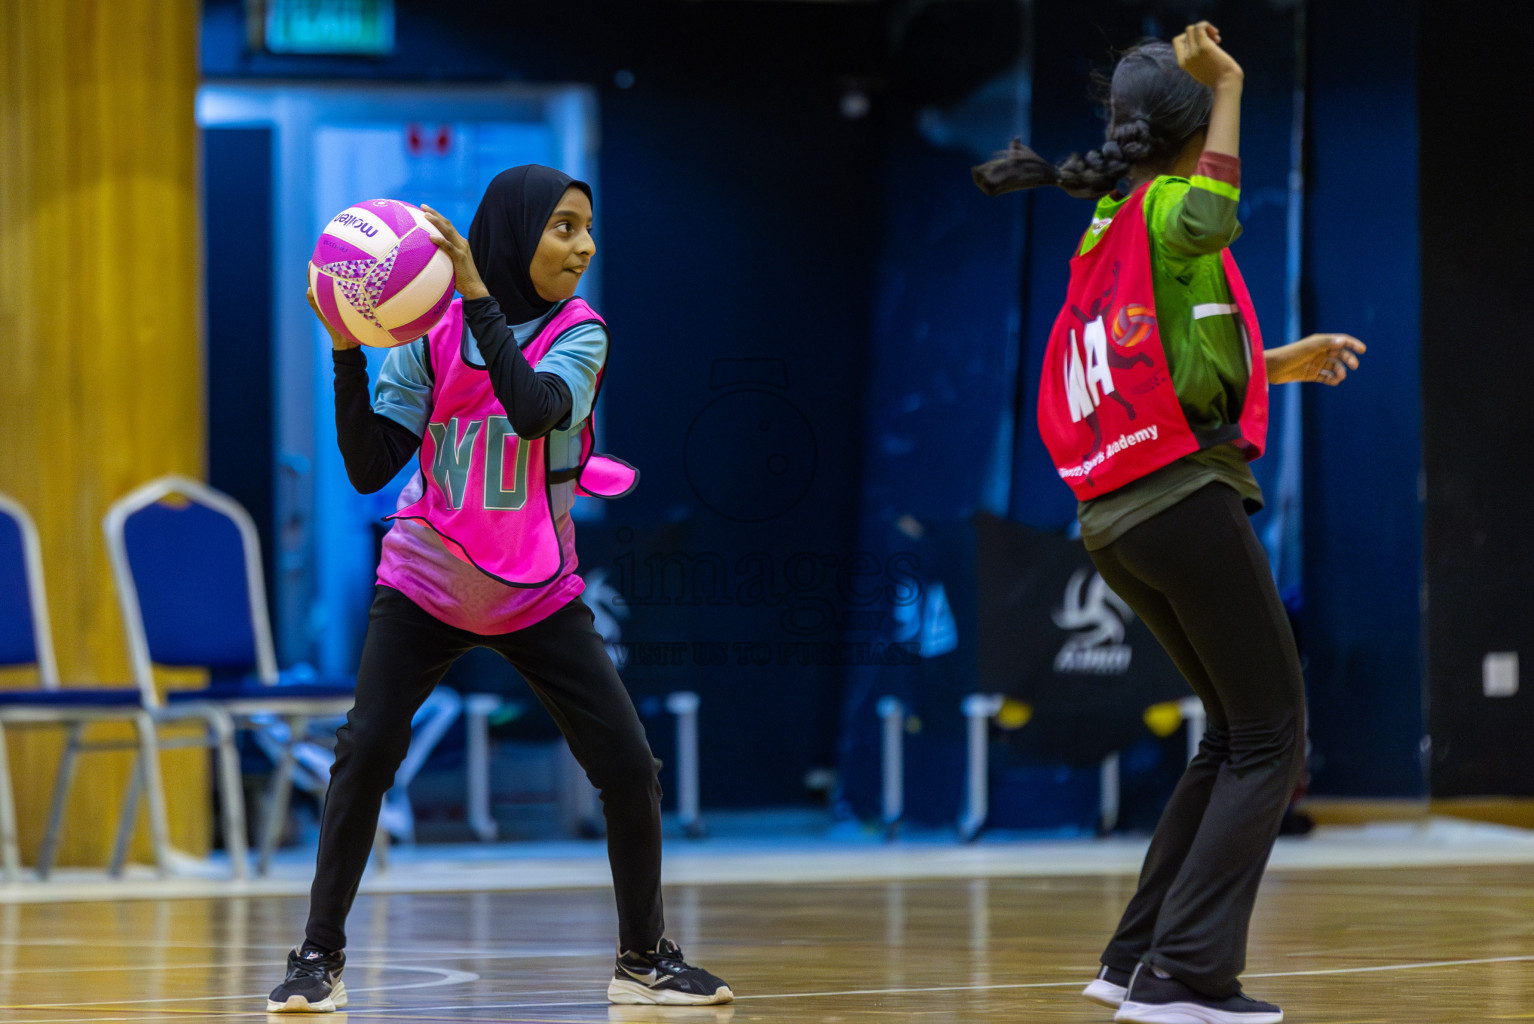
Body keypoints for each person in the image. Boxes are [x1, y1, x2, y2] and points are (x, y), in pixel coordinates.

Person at [267, 165, 733, 1012]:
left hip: (534, 589)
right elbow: (372, 462)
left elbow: (531, 409)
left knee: (629, 767)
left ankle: (643, 958)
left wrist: (477, 295)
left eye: (586, 227)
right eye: (563, 227)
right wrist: (343, 346)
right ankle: (315, 960)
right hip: (427, 578)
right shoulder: (428, 328)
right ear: (518, 231)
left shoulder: (582, 332)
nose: (583, 245)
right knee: (363, 754)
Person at [973, 23, 1363, 1024]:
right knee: (1275, 735)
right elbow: (1218, 211)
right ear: (1194, 132)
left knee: (1232, 730)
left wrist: (1279, 362)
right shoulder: (1168, 210)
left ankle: (1134, 954)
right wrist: (1229, 82)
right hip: (1177, 497)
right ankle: (1186, 975)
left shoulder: (1109, 222)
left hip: (1114, 516)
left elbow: (1176, 352)